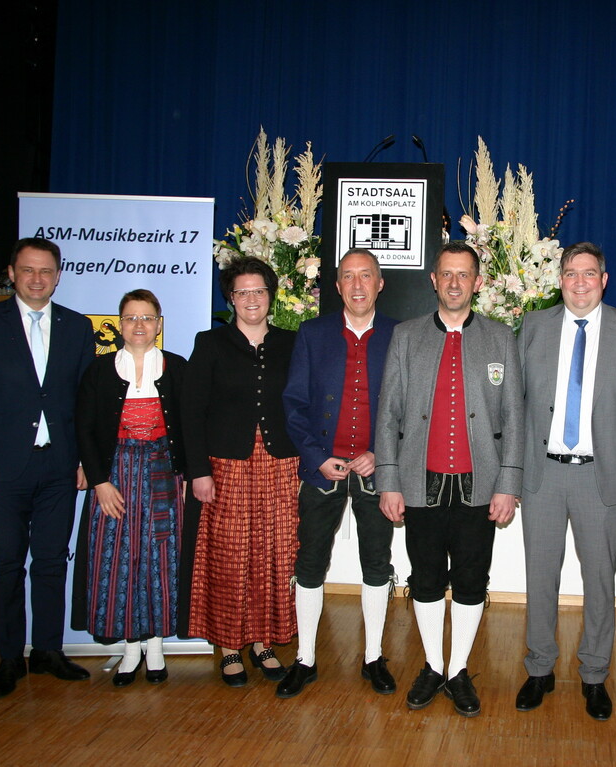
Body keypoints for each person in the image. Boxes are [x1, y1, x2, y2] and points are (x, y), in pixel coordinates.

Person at [375, 242, 524, 717]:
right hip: (421, 483)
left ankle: (459, 669)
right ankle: (433, 667)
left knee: (470, 579)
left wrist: (508, 483)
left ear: (478, 283)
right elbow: (389, 413)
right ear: (433, 280)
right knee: (424, 578)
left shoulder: (502, 339)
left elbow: (515, 418)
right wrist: (389, 479)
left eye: (464, 275)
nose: (455, 283)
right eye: (447, 274)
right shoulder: (406, 336)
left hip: (480, 486)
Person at [515, 242, 616, 721]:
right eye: (572, 273)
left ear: (604, 278)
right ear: (560, 279)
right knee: (540, 577)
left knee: (599, 580)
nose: (580, 282)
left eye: (590, 274)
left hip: (602, 477)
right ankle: (539, 668)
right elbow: (513, 406)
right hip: (542, 475)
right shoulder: (534, 327)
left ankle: (595, 674)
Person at [0, 237, 95, 699]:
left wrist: (84, 461)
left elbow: (84, 402)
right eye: (28, 270)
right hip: (3, 469)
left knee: (52, 562)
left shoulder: (77, 327)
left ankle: (49, 651)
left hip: (59, 468)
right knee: (7, 563)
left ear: (58, 275)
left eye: (46, 271)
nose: (38, 279)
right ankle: (10, 656)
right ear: (12, 273)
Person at [278, 249, 399, 698]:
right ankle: (305, 659)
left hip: (374, 468)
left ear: (379, 283)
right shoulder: (312, 334)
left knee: (377, 564)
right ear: (337, 286)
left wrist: (380, 453)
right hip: (322, 469)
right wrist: (315, 457)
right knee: (310, 562)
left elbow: (408, 409)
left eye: (365, 276)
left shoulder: (399, 335)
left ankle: (373, 658)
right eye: (348, 277)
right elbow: (294, 405)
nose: (357, 285)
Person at [181, 256, 300, 687]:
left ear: (271, 296)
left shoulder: (291, 342)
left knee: (274, 553)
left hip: (280, 464)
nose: (252, 299)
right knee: (230, 558)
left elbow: (301, 405)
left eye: (259, 291)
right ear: (230, 298)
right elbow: (190, 412)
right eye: (242, 292)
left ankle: (263, 643)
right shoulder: (210, 343)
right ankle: (230, 646)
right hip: (225, 467)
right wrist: (198, 471)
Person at [72, 289, 186, 686]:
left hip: (161, 473)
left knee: (159, 558)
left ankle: (154, 646)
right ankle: (129, 647)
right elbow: (84, 428)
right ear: (119, 325)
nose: (139, 325)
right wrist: (100, 480)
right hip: (115, 473)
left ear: (158, 324)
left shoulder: (176, 368)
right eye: (131, 318)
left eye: (147, 317)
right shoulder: (99, 371)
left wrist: (185, 475)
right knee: (119, 559)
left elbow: (188, 427)